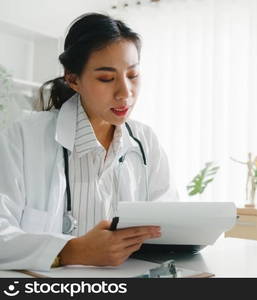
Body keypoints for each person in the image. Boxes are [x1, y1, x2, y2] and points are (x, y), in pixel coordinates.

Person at [0, 13, 176, 271]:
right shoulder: (23, 137)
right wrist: (70, 251)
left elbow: (172, 224)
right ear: (73, 79)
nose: (125, 93)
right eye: (106, 78)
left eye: (133, 74)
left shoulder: (145, 142)